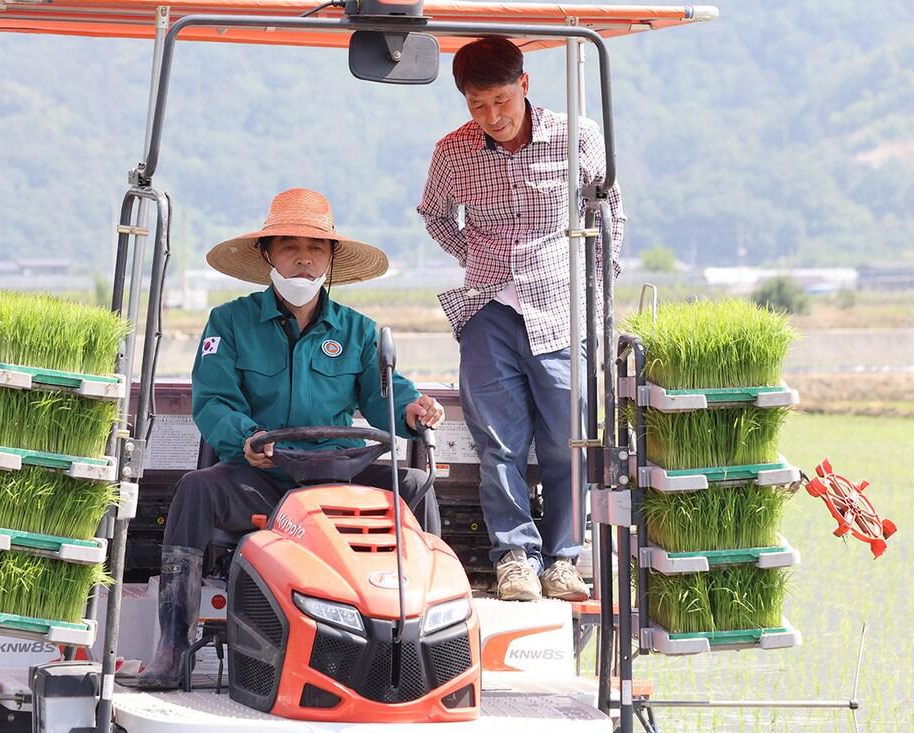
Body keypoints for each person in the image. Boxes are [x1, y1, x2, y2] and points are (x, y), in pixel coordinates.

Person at [135, 188, 446, 690]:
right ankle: (171, 647)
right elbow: (213, 401)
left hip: (337, 482)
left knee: (414, 487)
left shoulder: (360, 331)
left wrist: (413, 410)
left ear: (331, 259)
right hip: (264, 476)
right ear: (267, 255)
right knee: (196, 489)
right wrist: (250, 440)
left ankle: (421, 647)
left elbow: (387, 397)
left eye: (316, 247)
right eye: (289, 246)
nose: (304, 258)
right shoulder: (229, 322)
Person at [417, 37, 625, 602]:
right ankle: (514, 557)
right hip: (488, 308)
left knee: (567, 440)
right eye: (477, 105)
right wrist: (474, 254)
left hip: (560, 310)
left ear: (524, 85)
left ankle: (563, 558)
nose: (493, 117)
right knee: (499, 444)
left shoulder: (576, 135)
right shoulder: (453, 151)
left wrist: (594, 296)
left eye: (501, 100)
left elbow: (609, 218)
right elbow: (434, 215)